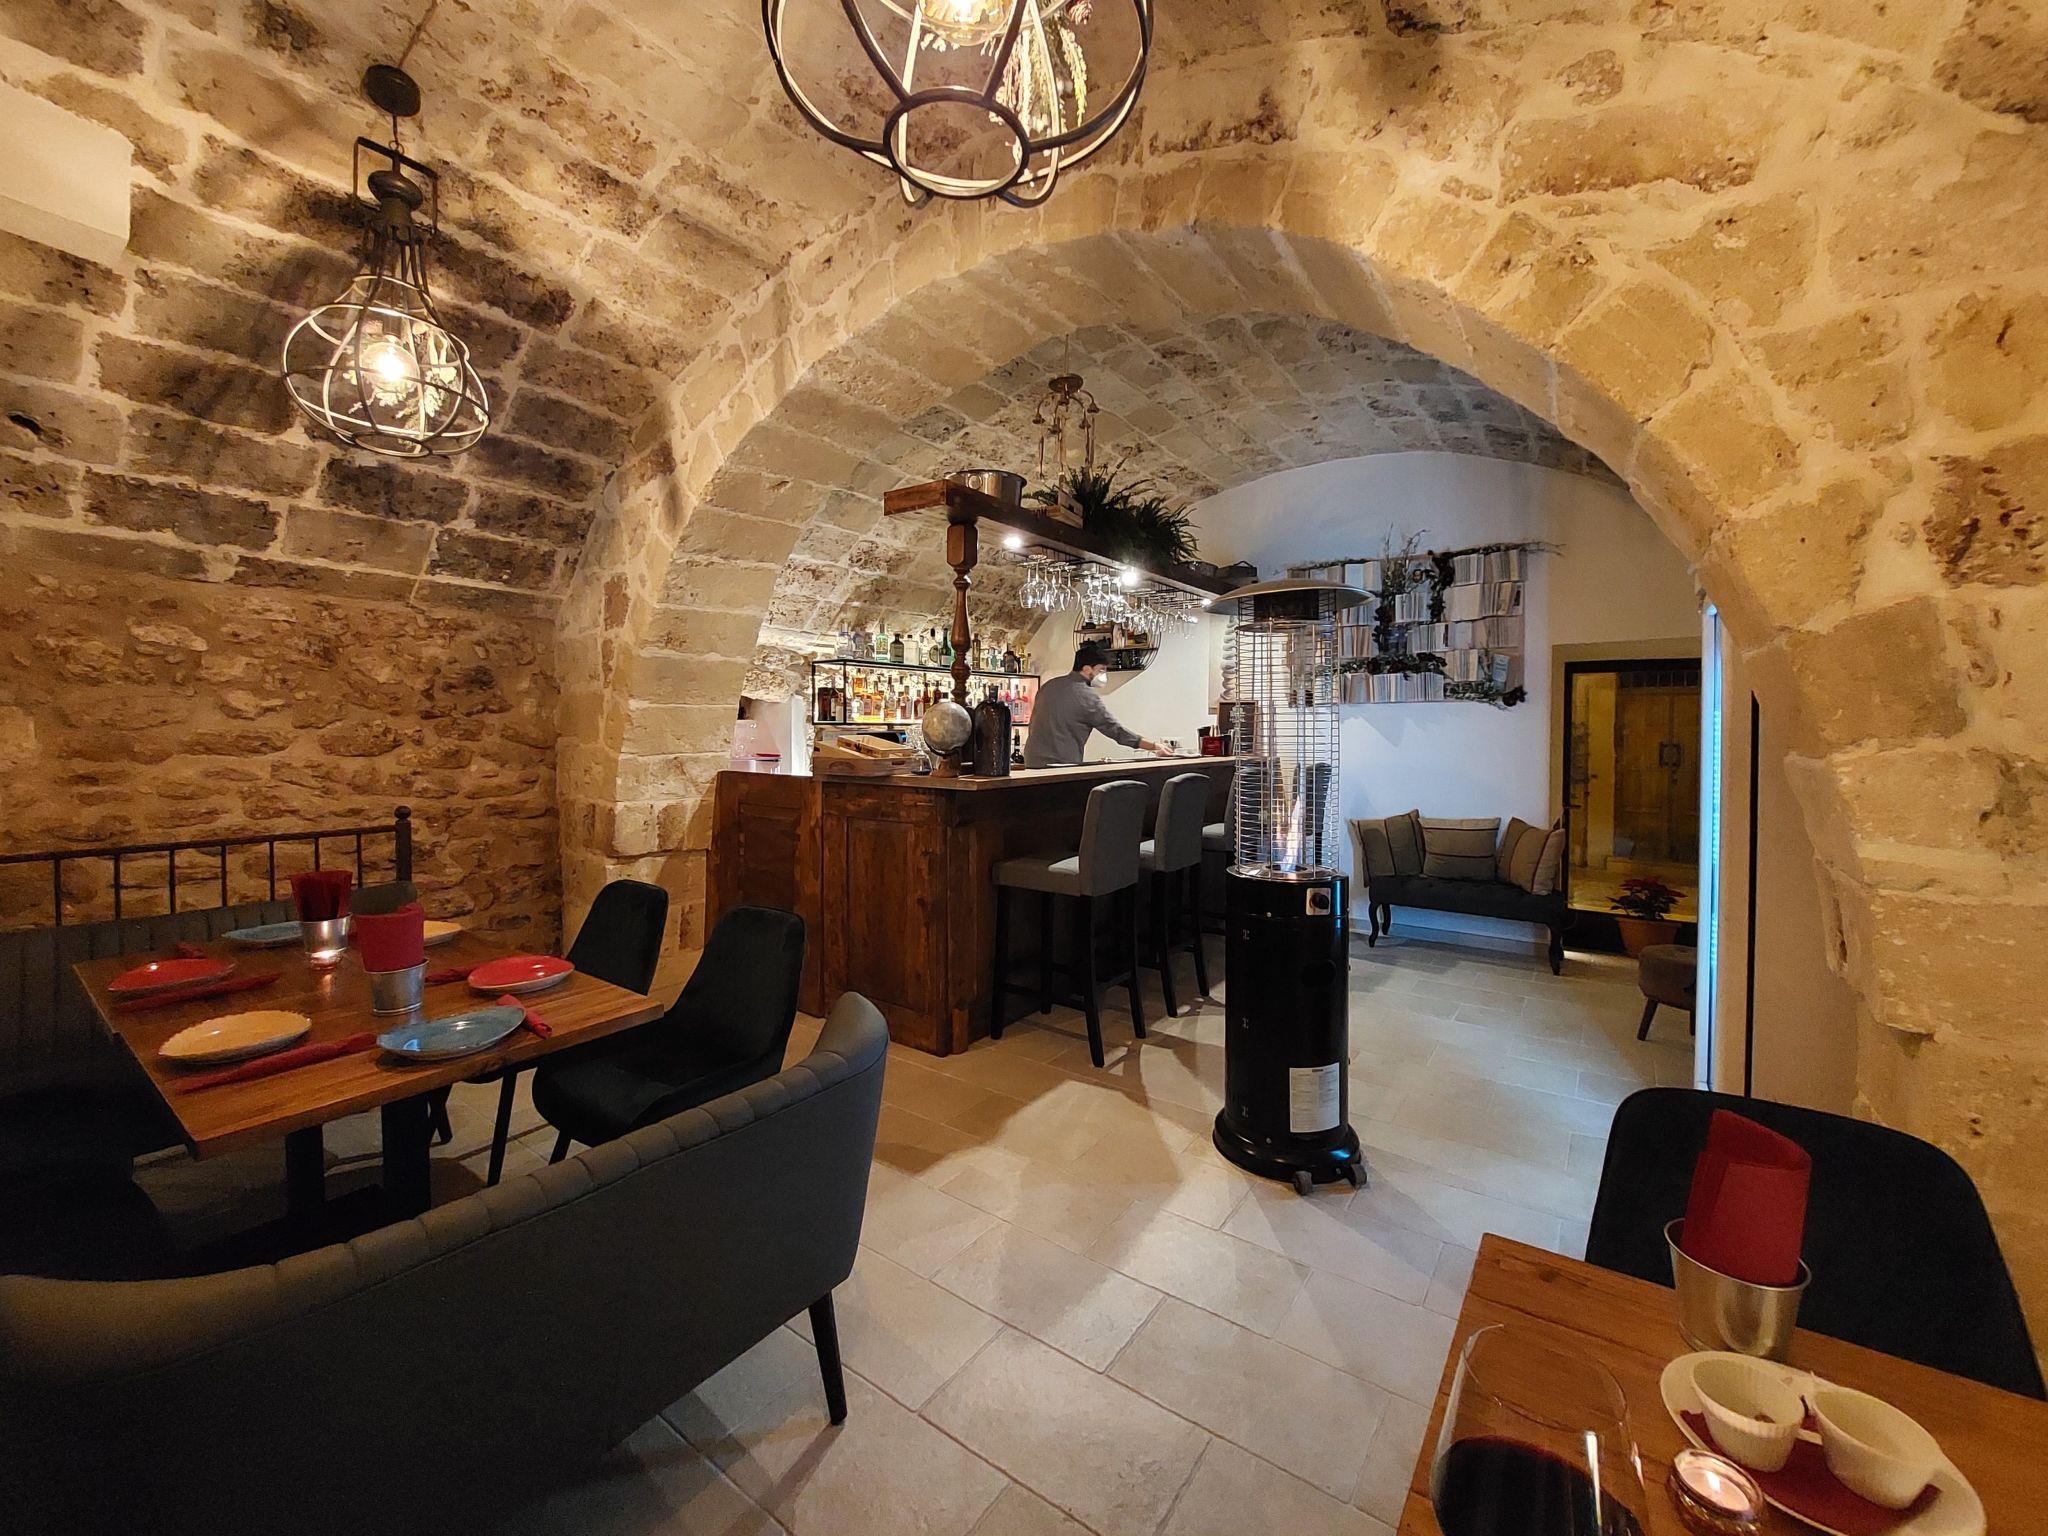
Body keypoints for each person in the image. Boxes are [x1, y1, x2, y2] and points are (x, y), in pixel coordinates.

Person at [1023, 644, 1170, 768]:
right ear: (1087, 669)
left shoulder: (1049, 685)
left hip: (1031, 761)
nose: (1103, 675)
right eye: (1101, 670)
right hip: (1062, 764)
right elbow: (1114, 730)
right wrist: (1153, 746)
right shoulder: (1086, 696)